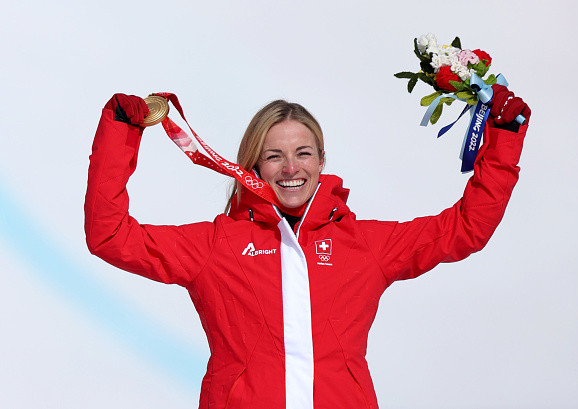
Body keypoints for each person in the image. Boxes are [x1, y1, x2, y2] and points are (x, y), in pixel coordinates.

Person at [85, 88, 530, 409]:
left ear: (321, 161)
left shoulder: (365, 245)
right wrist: (121, 133)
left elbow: (466, 228)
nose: (291, 168)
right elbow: (110, 235)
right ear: (254, 164)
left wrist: (504, 138)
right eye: (274, 155)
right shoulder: (216, 245)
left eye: (304, 153)